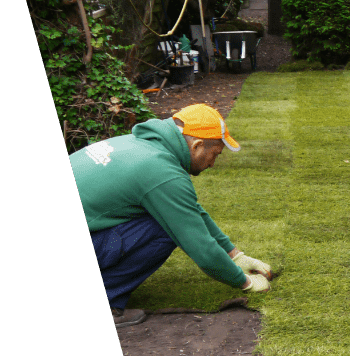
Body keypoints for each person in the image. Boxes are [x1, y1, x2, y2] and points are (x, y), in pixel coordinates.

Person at [69, 103, 274, 328]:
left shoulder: (138, 144)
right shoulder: (160, 172)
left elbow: (189, 210)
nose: (213, 164)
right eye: (214, 154)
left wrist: (236, 256)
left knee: (165, 217)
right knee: (165, 229)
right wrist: (244, 282)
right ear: (197, 146)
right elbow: (200, 246)